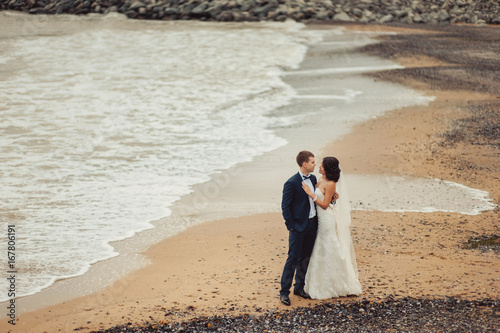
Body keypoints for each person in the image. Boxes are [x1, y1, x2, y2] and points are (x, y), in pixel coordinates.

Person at [301, 157, 362, 299]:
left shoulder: (330, 183)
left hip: (327, 218)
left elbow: (325, 205)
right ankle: (320, 281)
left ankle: (336, 284)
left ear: (328, 168)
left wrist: (311, 194)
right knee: (321, 247)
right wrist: (332, 199)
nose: (319, 166)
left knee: (328, 245)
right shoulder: (320, 179)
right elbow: (328, 200)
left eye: (322, 165)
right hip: (320, 218)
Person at [279, 150, 321, 306]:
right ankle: (284, 292)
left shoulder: (314, 178)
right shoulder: (291, 183)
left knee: (305, 258)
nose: (314, 164)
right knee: (292, 259)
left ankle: (299, 287)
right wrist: (291, 226)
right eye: (312, 162)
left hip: (312, 225)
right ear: (305, 164)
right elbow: (285, 207)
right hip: (298, 227)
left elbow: (316, 197)